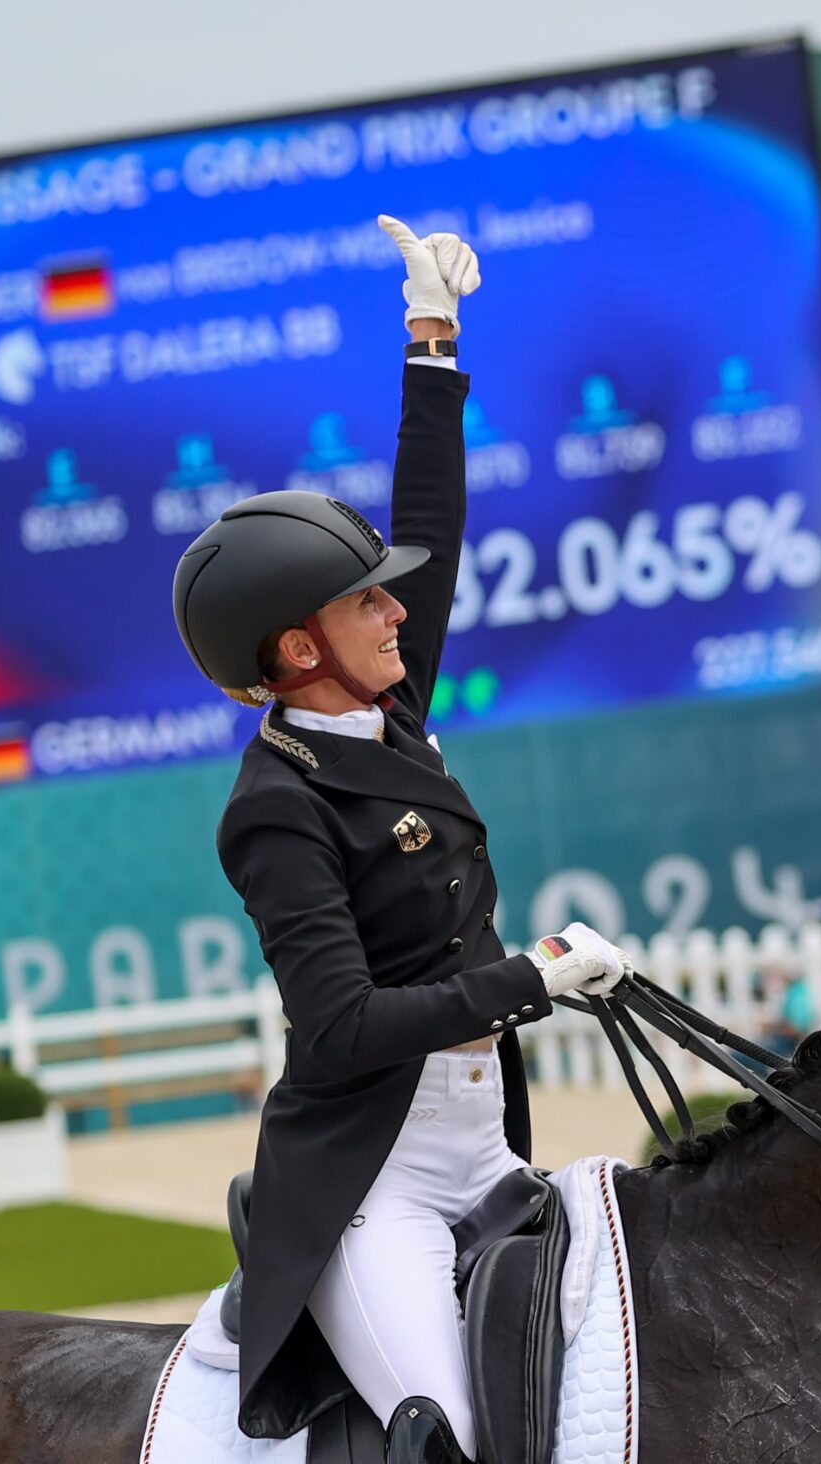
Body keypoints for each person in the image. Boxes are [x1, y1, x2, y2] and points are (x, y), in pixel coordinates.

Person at [172, 214, 635, 1464]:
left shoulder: (387, 708)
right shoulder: (276, 802)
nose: (398, 610)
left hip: (485, 1143)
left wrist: (430, 337)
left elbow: (431, 515)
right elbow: (336, 1027)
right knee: (455, 1442)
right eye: (367, 598)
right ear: (294, 647)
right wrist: (524, 979)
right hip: (370, 1188)